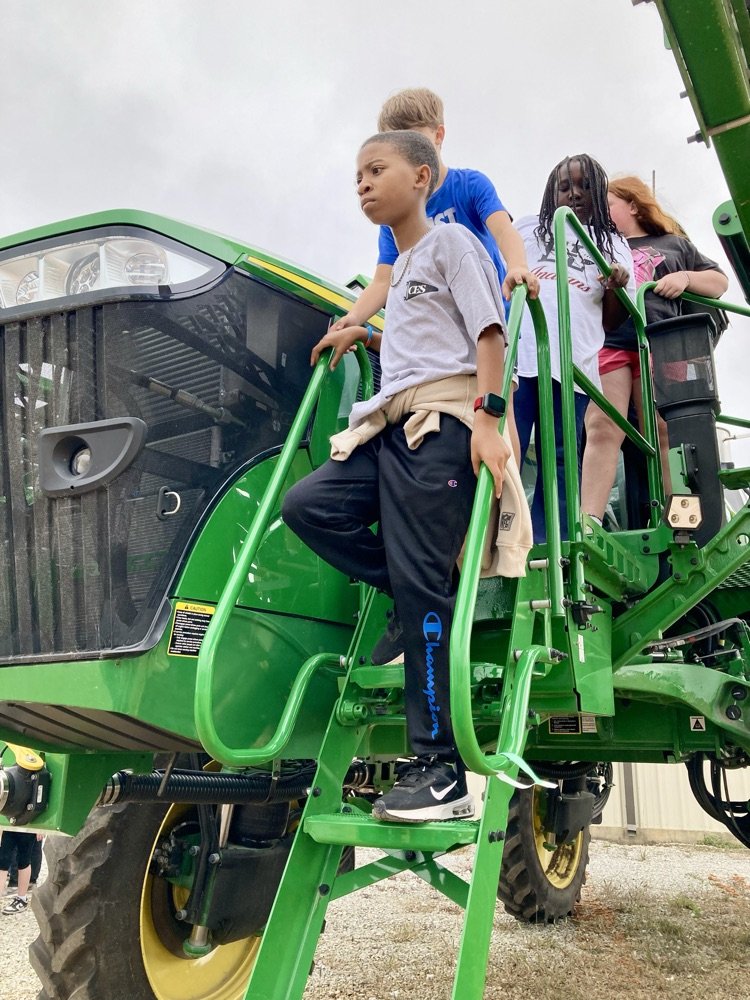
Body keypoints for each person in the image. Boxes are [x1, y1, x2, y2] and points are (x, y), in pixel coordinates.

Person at [283, 129, 527, 823]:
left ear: (422, 177)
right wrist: (365, 331)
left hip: (445, 424)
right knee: (308, 506)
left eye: (376, 169)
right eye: (356, 173)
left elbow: (488, 333)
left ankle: (441, 771)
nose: (361, 183)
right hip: (392, 423)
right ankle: (410, 584)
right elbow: (422, 341)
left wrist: (488, 418)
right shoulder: (406, 265)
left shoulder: (453, 244)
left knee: (424, 590)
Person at [330, 87, 539, 463]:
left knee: (498, 412)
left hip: (481, 318)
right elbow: (383, 280)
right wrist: (353, 317)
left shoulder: (467, 185)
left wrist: (518, 266)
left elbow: (503, 230)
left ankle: (503, 494)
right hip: (438, 337)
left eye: (414, 137)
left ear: (438, 136)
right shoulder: (396, 215)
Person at [580, 176, 728, 523]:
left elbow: (718, 282)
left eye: (609, 204)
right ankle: (590, 522)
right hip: (612, 341)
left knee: (663, 430)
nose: (602, 212)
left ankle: (681, 516)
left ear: (633, 205)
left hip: (659, 341)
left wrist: (686, 278)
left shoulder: (672, 244)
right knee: (602, 425)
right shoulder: (596, 247)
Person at [514, 154, 635, 541]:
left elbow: (612, 320)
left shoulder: (612, 243)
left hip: (572, 364)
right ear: (552, 191)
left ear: (599, 193)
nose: (575, 194)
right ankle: (497, 538)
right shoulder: (529, 229)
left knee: (563, 458)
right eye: (565, 187)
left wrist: (616, 285)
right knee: (509, 449)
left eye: (584, 187)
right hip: (521, 358)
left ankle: (554, 547)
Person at [0, 829, 38, 914]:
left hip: (29, 823)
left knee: (24, 859)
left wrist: (43, 828)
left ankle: (22, 898)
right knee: (3, 860)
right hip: (11, 822)